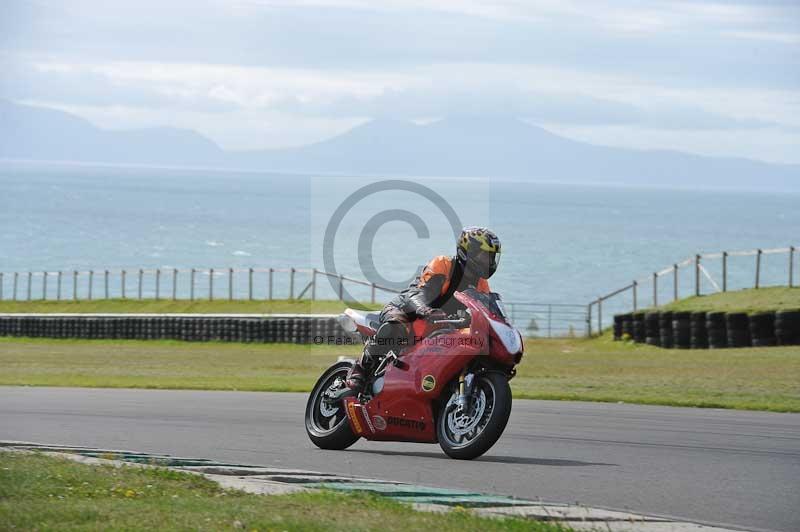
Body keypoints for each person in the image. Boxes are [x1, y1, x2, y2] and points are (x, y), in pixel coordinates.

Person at [346, 226, 501, 390]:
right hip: (407, 309)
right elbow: (421, 292)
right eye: (484, 255)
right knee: (394, 328)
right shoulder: (444, 264)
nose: (487, 261)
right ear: (468, 251)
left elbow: (487, 311)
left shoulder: (481, 284)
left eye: (491, 257)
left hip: (441, 324)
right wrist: (424, 309)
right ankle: (360, 370)